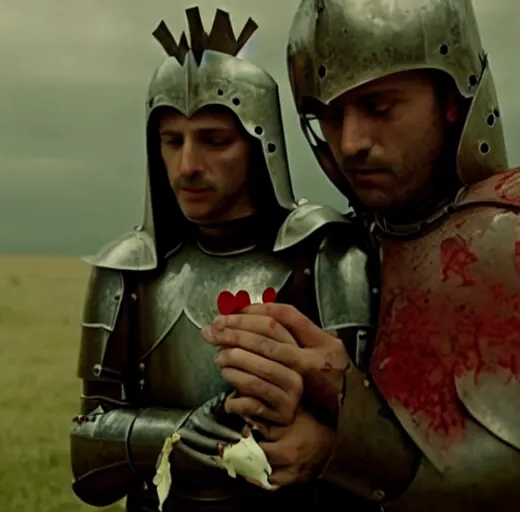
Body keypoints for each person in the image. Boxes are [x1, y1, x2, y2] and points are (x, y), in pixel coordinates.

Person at [201, 0, 520, 510]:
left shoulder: (517, 230)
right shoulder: (345, 243)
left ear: (451, 98)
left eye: (379, 108)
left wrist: (334, 432)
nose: (351, 142)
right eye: (330, 117)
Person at [68, 6, 381, 512]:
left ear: (261, 143)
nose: (188, 165)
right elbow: (87, 464)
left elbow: (374, 443)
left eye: (214, 140)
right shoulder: (130, 269)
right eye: (173, 141)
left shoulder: (326, 252)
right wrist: (182, 432)